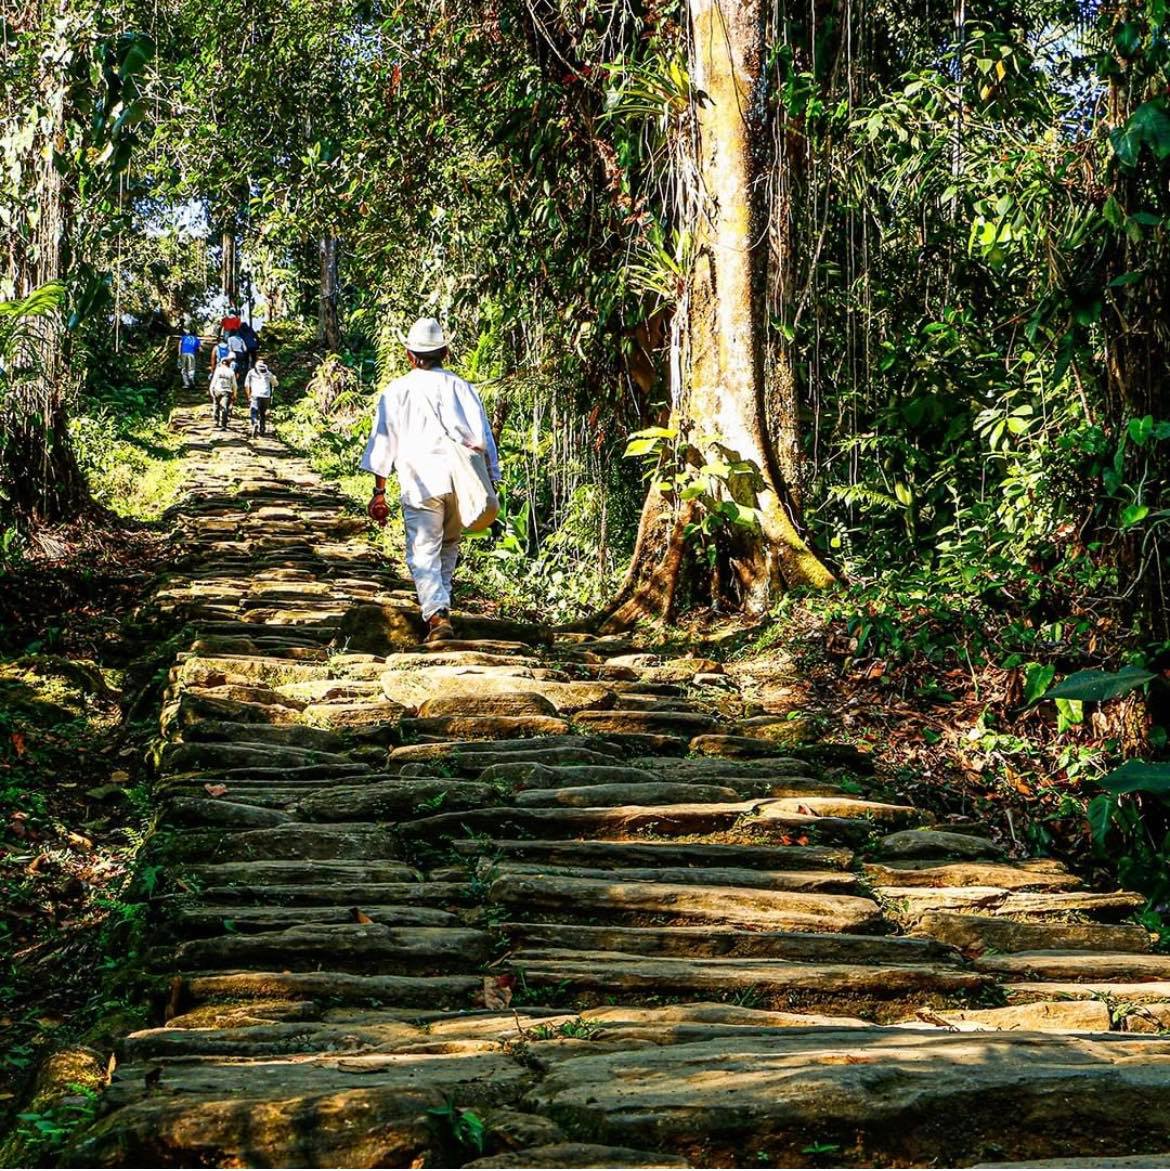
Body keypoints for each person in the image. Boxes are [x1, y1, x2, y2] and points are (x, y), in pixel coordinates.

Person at [362, 317, 499, 642]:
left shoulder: (396, 391)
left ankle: (437, 617)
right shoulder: (462, 387)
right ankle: (441, 609)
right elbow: (484, 438)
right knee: (448, 545)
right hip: (460, 478)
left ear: (410, 355)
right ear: (445, 352)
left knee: (423, 551)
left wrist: (379, 492)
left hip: (420, 480)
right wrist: (493, 478)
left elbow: (383, 443)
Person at [245, 358, 278, 437]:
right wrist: (274, 378)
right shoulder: (268, 373)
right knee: (262, 413)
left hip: (255, 394)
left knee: (254, 411)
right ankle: (262, 429)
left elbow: (247, 384)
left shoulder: (251, 372)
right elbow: (276, 384)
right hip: (266, 395)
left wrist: (248, 395)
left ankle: (255, 423)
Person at [209, 357, 238, 430]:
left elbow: (214, 380)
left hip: (217, 390)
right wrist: (235, 394)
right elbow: (234, 384)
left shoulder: (218, 370)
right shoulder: (231, 371)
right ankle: (223, 424)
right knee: (224, 407)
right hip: (226, 391)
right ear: (229, 364)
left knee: (216, 405)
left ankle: (216, 421)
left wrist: (211, 389)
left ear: (221, 363)